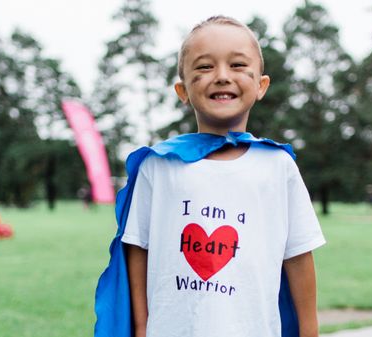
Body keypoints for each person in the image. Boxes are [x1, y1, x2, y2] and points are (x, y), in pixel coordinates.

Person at [94, 16, 325, 337]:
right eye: (204, 67)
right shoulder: (158, 167)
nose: (221, 76)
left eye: (238, 65)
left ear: (261, 85)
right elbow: (137, 249)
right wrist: (143, 326)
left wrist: (309, 331)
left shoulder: (277, 166)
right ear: (182, 90)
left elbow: (298, 255)